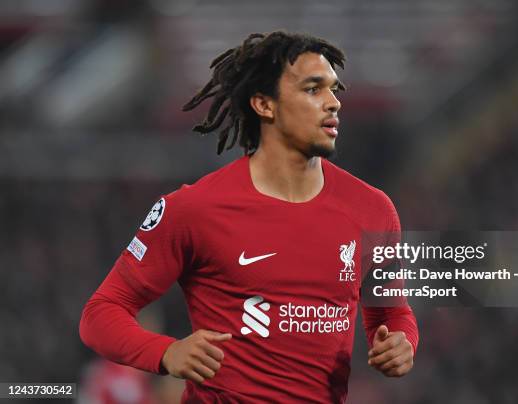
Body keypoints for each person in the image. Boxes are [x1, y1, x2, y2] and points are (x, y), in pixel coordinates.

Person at [80, 31, 418, 403]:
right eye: (313, 89)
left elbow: (391, 314)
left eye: (334, 89)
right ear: (264, 104)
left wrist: (401, 345)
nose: (333, 103)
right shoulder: (194, 209)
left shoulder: (373, 210)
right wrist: (164, 352)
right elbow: (101, 313)